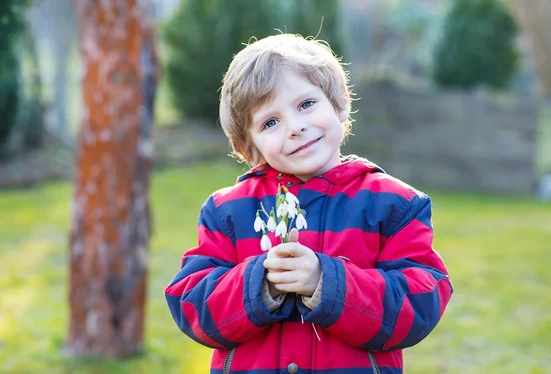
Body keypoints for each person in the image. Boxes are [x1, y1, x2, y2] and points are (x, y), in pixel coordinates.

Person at [164, 33, 453, 374]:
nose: (296, 128)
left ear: (339, 103)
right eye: (271, 122)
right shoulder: (227, 212)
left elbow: (421, 303)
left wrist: (326, 282)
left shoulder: (395, 204)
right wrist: (261, 283)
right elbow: (191, 305)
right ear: (249, 146)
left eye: (306, 105)